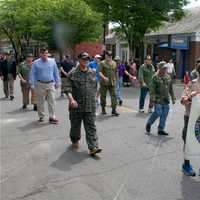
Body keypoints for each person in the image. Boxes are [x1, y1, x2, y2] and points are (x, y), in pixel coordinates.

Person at [64, 52, 102, 156]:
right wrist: (71, 99)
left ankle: (93, 147)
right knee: (75, 126)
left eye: (87, 59)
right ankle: (74, 139)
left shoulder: (93, 72)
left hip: (90, 105)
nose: (85, 61)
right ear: (79, 60)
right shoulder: (72, 73)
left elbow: (95, 86)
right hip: (76, 105)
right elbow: (67, 88)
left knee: (91, 126)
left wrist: (96, 98)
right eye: (83, 59)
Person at [29, 47, 60, 124]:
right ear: (40, 54)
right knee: (40, 101)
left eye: (46, 53)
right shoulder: (35, 63)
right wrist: (32, 84)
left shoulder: (52, 61)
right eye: (43, 53)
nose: (45, 55)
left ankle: (52, 116)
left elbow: (56, 72)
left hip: (50, 84)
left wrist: (58, 82)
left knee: (52, 101)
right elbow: (32, 74)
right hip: (40, 84)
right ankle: (41, 116)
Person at [145, 61, 176, 136]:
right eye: (164, 68)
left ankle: (161, 129)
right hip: (158, 99)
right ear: (160, 68)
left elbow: (170, 88)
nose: (165, 69)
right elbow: (152, 90)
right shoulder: (155, 77)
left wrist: (173, 97)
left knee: (164, 114)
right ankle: (149, 123)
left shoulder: (168, 77)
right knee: (158, 112)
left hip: (165, 99)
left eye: (166, 68)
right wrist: (152, 100)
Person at [180, 63, 200, 176]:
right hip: (191, 119)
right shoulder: (192, 84)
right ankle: (186, 164)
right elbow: (183, 101)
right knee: (189, 141)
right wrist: (190, 96)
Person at [99, 51, 119, 116]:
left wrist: (116, 79)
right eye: (108, 56)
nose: (109, 57)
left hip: (112, 82)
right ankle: (103, 108)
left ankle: (114, 110)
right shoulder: (102, 63)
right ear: (105, 56)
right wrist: (104, 77)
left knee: (114, 96)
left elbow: (116, 72)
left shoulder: (114, 63)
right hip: (104, 83)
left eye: (110, 56)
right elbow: (99, 72)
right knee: (103, 96)